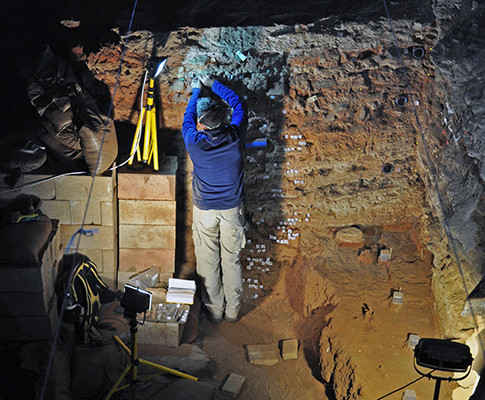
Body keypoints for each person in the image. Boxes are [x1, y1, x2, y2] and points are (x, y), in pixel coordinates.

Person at [182, 73, 248, 323]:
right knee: (230, 260)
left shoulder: (194, 141)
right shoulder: (235, 136)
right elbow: (239, 103)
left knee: (208, 262)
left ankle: (215, 310)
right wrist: (213, 85)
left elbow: (187, 117)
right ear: (226, 119)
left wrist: (197, 90)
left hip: (205, 210)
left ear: (201, 124)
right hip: (232, 210)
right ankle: (232, 312)